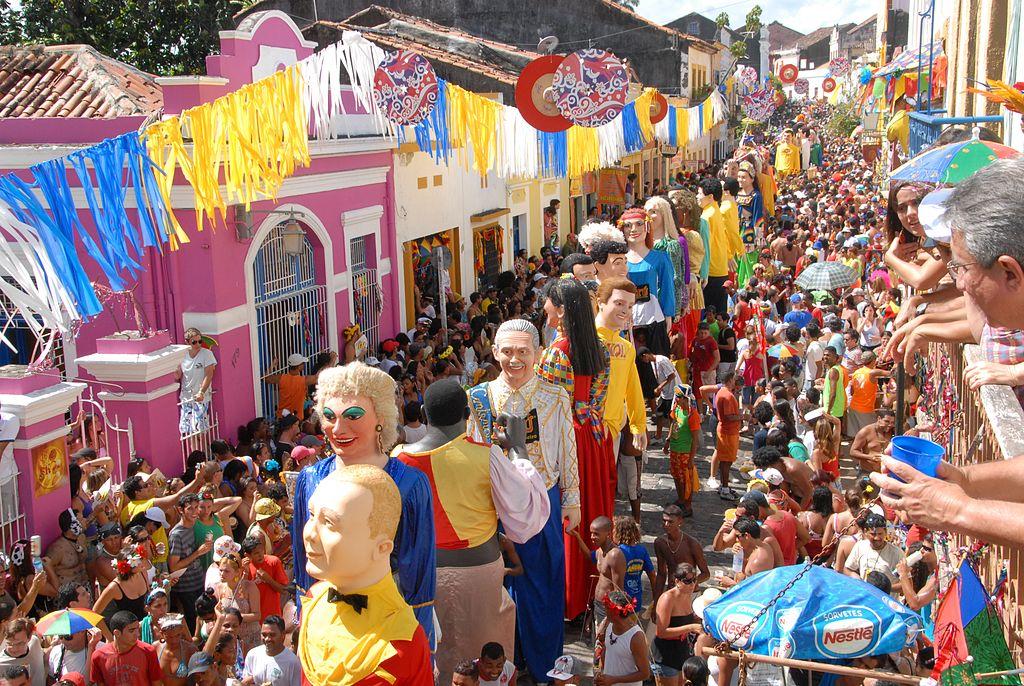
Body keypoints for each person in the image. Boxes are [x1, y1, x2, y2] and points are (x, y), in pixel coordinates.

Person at [395, 379, 548, 682]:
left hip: (419, 579)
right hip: (479, 576)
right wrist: (518, 449)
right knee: (484, 664)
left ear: (424, 413)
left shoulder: (398, 459)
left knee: (431, 659)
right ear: (467, 413)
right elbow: (526, 513)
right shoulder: (485, 455)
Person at [290, 363, 436, 642]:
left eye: (353, 416)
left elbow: (418, 570)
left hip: (389, 621)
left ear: (380, 417)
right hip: (325, 621)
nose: (338, 428)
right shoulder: (310, 478)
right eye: (329, 416)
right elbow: (303, 561)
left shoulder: (409, 484)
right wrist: (306, 619)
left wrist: (419, 639)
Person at [467, 319, 578, 680]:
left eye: (523, 352)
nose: (515, 359)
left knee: (544, 585)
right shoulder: (479, 398)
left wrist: (572, 499)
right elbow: (469, 452)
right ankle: (500, 665)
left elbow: (568, 448)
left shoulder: (554, 396)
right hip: (492, 505)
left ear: (538, 354)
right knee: (496, 587)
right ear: (495, 352)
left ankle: (546, 666)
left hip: (541, 502)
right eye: (508, 352)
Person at [297, 465, 432, 686]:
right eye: (312, 515)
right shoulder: (313, 601)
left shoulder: (404, 640)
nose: (310, 533)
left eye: (329, 523)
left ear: (382, 547)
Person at [536, 278, 613, 621]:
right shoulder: (600, 348)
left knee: (570, 512)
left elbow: (549, 406)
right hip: (594, 435)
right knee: (594, 508)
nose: (545, 310)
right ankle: (593, 590)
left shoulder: (556, 353)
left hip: (569, 437)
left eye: (548, 303)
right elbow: (597, 399)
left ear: (562, 310)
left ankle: (571, 598)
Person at [593, 278, 648, 523]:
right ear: (600, 303)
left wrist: (638, 425)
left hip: (612, 432)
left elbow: (632, 387)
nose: (625, 310)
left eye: (630, 305)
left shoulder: (626, 348)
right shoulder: (584, 341)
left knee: (607, 487)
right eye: (618, 303)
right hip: (585, 431)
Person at [167, 494, 214, 633]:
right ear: (181, 510)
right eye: (190, 509)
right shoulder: (177, 534)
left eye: (196, 508)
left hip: (199, 582)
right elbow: (174, 566)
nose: (195, 512)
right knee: (193, 624)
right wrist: (198, 553)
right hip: (186, 588)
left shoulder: (194, 526)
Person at [651, 564, 703, 686]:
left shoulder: (687, 594)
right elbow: (661, 632)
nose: (692, 584)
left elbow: (683, 619)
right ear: (677, 581)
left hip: (681, 651)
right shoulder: (667, 598)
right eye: (688, 581)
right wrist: (691, 627)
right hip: (665, 655)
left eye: (694, 580)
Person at [699, 177, 741, 317]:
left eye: (700, 193)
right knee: (720, 315)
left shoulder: (706, 216)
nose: (697, 197)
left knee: (710, 317)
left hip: (710, 272)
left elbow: (704, 247)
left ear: (710, 196)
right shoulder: (716, 209)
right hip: (720, 269)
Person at [652, 505, 709, 610]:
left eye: (670, 522)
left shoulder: (692, 544)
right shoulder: (660, 543)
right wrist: (656, 602)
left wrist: (689, 583)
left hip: (690, 595)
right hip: (671, 592)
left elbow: (706, 574)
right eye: (664, 521)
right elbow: (661, 574)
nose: (666, 525)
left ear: (680, 522)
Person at [89, 611, 163, 686]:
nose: (137, 634)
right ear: (117, 633)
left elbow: (156, 682)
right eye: (131, 631)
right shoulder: (99, 656)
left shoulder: (148, 651)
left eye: (137, 629)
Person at [595, 590, 650, 686]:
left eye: (607, 607)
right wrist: (601, 671)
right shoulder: (610, 625)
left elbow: (645, 674)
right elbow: (606, 650)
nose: (604, 610)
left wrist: (614, 680)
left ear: (615, 612)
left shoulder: (636, 637)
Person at [664, 385, 702, 514]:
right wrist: (667, 441)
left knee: (686, 480)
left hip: (685, 451)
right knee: (676, 476)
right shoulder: (676, 408)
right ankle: (680, 500)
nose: (676, 399)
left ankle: (688, 505)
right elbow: (673, 423)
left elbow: (695, 439)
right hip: (675, 449)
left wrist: (691, 458)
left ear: (685, 398)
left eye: (679, 397)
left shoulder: (692, 415)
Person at [843, 513, 905, 589]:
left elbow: (906, 584)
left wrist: (885, 588)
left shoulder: (897, 553)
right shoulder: (860, 546)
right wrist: (859, 581)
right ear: (865, 532)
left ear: (885, 532)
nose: (877, 538)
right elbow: (847, 569)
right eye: (873, 534)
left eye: (880, 534)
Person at [264, 352, 331, 418]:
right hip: (296, 417)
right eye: (302, 363)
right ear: (299, 366)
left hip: (282, 415)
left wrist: (273, 364)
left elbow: (266, 378)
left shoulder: (281, 378)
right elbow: (319, 376)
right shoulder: (303, 380)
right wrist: (328, 363)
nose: (304, 365)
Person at [611, 516, 655, 614]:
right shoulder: (642, 550)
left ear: (618, 532)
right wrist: (656, 597)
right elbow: (652, 574)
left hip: (621, 601)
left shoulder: (618, 552)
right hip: (636, 600)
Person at [240, 615, 301, 686]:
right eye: (264, 635)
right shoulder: (252, 655)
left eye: (272, 635)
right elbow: (245, 682)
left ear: (283, 635)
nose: (267, 639)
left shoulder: (293, 662)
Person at [240, 536, 288, 624]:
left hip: (272, 617)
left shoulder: (274, 562)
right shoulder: (244, 567)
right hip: (253, 620)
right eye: (256, 553)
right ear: (247, 555)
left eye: (262, 550)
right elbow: (241, 594)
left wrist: (268, 579)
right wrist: (245, 572)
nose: (260, 555)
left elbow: (284, 590)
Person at [176, 328, 216, 433]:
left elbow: (209, 374)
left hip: (200, 396)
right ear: (187, 342)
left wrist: (201, 392)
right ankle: (194, 449)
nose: (198, 344)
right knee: (187, 431)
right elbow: (178, 375)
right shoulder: (182, 355)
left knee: (200, 429)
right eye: (194, 342)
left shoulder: (206, 354)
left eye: (200, 341)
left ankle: (201, 449)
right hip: (186, 397)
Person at [718, 517, 774, 587]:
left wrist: (731, 584)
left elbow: (756, 589)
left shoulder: (758, 561)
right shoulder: (763, 546)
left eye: (738, 536)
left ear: (747, 536)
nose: (736, 540)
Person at [712, 372, 742, 500]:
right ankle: (724, 488)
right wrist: (742, 416)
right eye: (735, 379)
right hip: (728, 432)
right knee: (726, 462)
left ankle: (724, 486)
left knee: (725, 461)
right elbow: (729, 416)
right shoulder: (727, 396)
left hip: (727, 431)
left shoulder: (722, 392)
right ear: (730, 380)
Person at [0, 619, 45, 686]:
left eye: (19, 643)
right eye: (9, 644)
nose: (14, 649)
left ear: (29, 638)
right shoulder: (1, 664)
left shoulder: (34, 642)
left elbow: (43, 655)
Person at [850, 409, 895, 474]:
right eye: (886, 421)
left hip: (887, 474)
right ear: (879, 419)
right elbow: (853, 452)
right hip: (867, 473)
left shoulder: (894, 432)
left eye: (892, 422)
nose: (890, 425)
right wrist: (870, 457)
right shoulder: (865, 432)